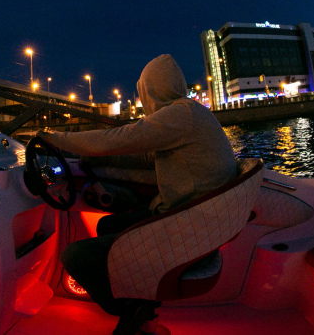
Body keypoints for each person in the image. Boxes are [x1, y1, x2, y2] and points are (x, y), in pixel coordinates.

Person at [37, 54, 236, 335]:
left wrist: (56, 139)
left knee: (75, 256)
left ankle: (132, 309)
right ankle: (139, 302)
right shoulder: (189, 115)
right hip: (195, 224)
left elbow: (121, 138)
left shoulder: (182, 114)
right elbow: (143, 155)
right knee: (108, 224)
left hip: (188, 232)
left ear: (151, 90)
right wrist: (94, 158)